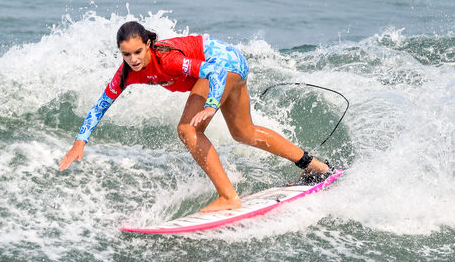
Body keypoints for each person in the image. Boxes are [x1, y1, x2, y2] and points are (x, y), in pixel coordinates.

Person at [59, 21, 331, 212]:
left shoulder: (168, 59)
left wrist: (212, 104)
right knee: (244, 132)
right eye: (126, 54)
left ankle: (228, 197)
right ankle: (315, 166)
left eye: (138, 52)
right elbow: (101, 104)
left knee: (187, 129)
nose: (133, 59)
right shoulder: (127, 73)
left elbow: (214, 72)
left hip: (224, 65)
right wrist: (80, 141)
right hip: (232, 62)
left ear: (149, 44)